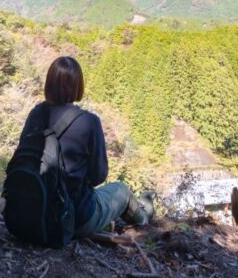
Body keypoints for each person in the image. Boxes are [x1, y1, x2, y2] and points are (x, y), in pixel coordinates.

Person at [15, 56, 153, 237]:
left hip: (29, 214)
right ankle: (144, 216)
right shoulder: (89, 122)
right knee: (122, 190)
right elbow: (99, 175)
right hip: (71, 218)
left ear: (49, 83)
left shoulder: (36, 113)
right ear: (77, 86)